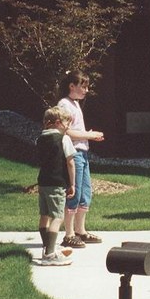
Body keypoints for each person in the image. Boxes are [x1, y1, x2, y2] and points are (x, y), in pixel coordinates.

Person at [57, 70, 105, 249]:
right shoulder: (64, 104)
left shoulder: (76, 104)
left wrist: (88, 137)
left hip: (82, 152)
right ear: (72, 86)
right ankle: (68, 234)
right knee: (74, 192)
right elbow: (66, 131)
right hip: (74, 153)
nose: (86, 90)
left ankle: (80, 230)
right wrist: (89, 135)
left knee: (85, 193)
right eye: (83, 86)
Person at [36, 106, 76, 266]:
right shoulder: (63, 139)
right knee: (57, 217)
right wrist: (72, 183)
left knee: (44, 216)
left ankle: (47, 248)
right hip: (57, 183)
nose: (68, 127)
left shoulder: (40, 139)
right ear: (58, 122)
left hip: (43, 182)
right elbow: (70, 162)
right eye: (67, 123)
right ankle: (50, 255)